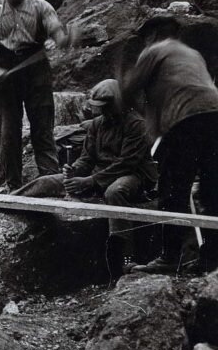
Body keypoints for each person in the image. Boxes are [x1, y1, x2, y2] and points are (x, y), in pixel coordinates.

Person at [121, 17, 218, 275]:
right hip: (214, 115)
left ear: (152, 35)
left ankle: (170, 257)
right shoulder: (191, 54)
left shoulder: (155, 50)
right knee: (211, 190)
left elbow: (129, 89)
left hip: (185, 119)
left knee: (173, 190)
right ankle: (211, 259)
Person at [0, 0, 73, 191]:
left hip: (36, 70)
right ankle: (14, 185)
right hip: (6, 72)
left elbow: (57, 34)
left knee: (42, 129)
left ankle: (51, 182)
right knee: (8, 132)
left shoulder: (41, 7)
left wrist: (65, 39)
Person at [59, 79, 157, 279]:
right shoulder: (96, 124)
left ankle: (126, 260)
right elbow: (87, 158)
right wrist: (74, 170)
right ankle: (9, 199)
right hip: (103, 173)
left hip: (135, 175)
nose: (102, 112)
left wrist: (89, 181)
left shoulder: (136, 124)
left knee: (115, 192)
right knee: (48, 181)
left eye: (105, 108)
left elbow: (127, 163)